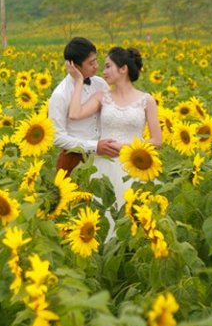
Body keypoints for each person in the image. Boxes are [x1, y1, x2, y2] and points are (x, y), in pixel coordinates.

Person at [66, 46, 162, 238]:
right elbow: (75, 113)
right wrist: (78, 82)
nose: (103, 71)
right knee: (103, 217)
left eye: (108, 66)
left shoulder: (146, 100)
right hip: (105, 167)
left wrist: (127, 148)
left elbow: (157, 140)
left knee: (136, 221)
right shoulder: (103, 97)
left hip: (134, 167)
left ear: (123, 69)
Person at [48, 37, 122, 176]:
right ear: (75, 66)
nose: (96, 66)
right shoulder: (60, 94)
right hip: (74, 159)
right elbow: (57, 137)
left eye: (95, 60)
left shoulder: (100, 83)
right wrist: (94, 147)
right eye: (91, 63)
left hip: (104, 156)